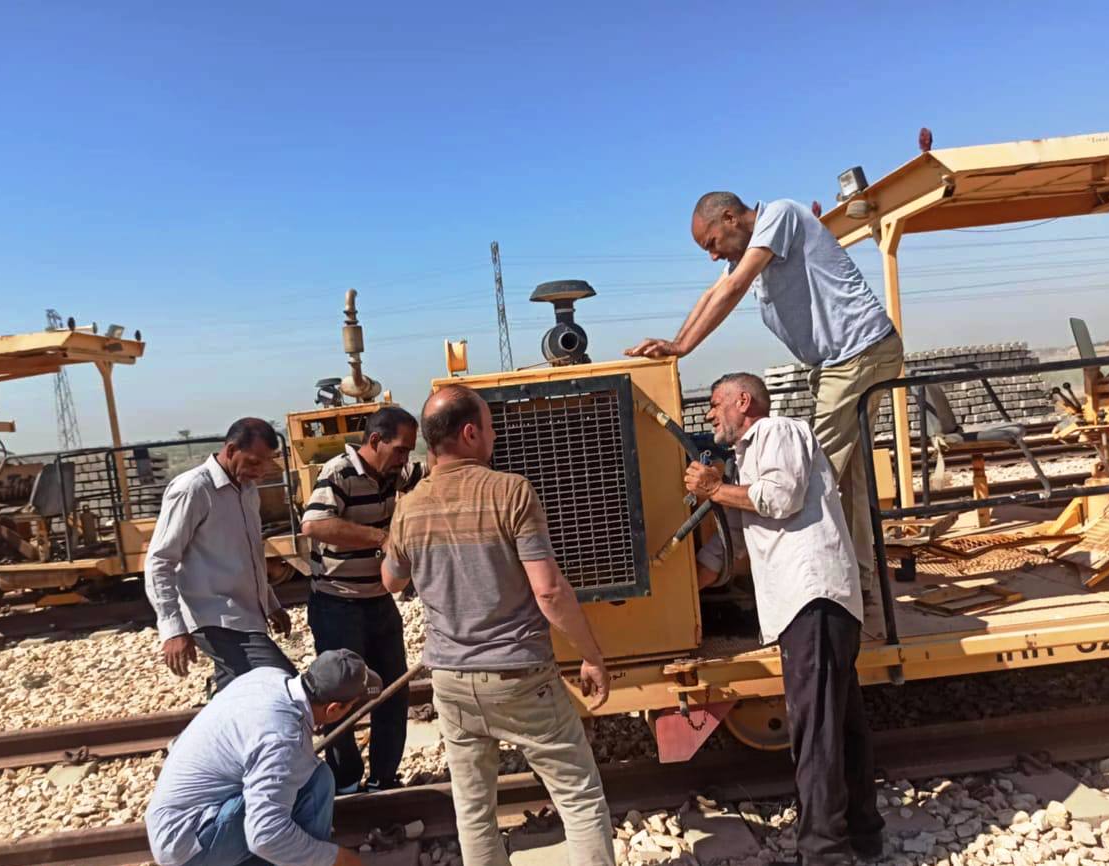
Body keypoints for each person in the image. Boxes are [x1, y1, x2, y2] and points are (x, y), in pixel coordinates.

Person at [381, 385, 614, 866]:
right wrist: (591, 655)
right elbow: (549, 591)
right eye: (489, 427)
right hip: (520, 675)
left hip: (450, 679)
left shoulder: (409, 506)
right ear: (470, 433)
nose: (494, 436)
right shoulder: (510, 491)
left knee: (473, 809)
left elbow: (391, 580)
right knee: (578, 796)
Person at [626, 193, 905, 594]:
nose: (713, 256)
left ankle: (817, 590)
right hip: (841, 363)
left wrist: (683, 347)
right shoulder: (750, 251)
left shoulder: (779, 215)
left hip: (856, 355)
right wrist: (674, 345)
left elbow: (734, 287)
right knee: (849, 477)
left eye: (712, 244)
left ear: (730, 218)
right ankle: (859, 582)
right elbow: (712, 294)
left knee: (809, 475)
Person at [685, 373, 884, 866]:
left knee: (815, 731)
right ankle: (864, 833)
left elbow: (780, 498)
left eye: (715, 402)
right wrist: (680, 592)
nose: (710, 414)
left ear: (743, 401)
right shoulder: (744, 463)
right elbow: (728, 546)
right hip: (810, 606)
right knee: (840, 724)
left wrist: (714, 487)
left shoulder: (779, 431)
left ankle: (823, 852)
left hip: (813, 599)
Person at [145, 648, 379, 866]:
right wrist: (337, 858)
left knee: (316, 777)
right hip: (187, 846)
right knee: (313, 787)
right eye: (352, 705)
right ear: (333, 709)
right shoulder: (283, 738)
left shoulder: (268, 676)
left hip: (182, 820)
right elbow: (265, 835)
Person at [301, 406, 423, 794]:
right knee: (341, 694)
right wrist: (381, 538)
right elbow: (314, 524)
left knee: (392, 689)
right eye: (400, 449)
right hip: (338, 605)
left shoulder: (394, 472)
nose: (405, 458)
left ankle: (384, 777)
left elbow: (436, 470)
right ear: (375, 441)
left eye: (409, 451)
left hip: (378, 602)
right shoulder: (339, 472)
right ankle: (346, 781)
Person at [146, 417, 295, 692]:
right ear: (231, 450)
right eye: (253, 463)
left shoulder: (248, 491)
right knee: (279, 686)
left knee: (239, 694)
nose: (260, 472)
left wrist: (270, 603)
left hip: (245, 616)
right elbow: (160, 560)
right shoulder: (193, 489)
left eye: (265, 464)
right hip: (214, 616)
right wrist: (173, 629)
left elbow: (248, 555)